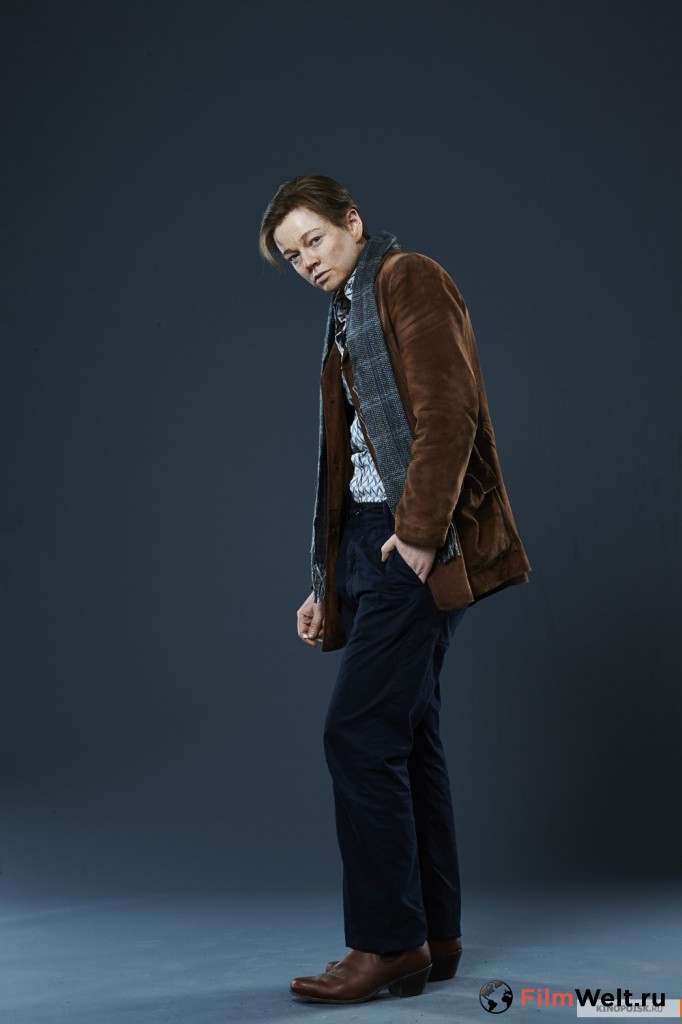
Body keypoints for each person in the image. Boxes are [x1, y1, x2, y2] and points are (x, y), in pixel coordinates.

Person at [258, 175, 531, 1005]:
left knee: (358, 732)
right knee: (407, 738)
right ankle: (434, 938)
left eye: (313, 239)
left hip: (414, 535)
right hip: (369, 541)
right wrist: (326, 584)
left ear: (352, 220)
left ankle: (386, 943)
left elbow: (449, 414)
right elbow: (350, 458)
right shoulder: (348, 311)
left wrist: (416, 536)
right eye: (292, 255)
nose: (307, 261)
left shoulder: (407, 277)